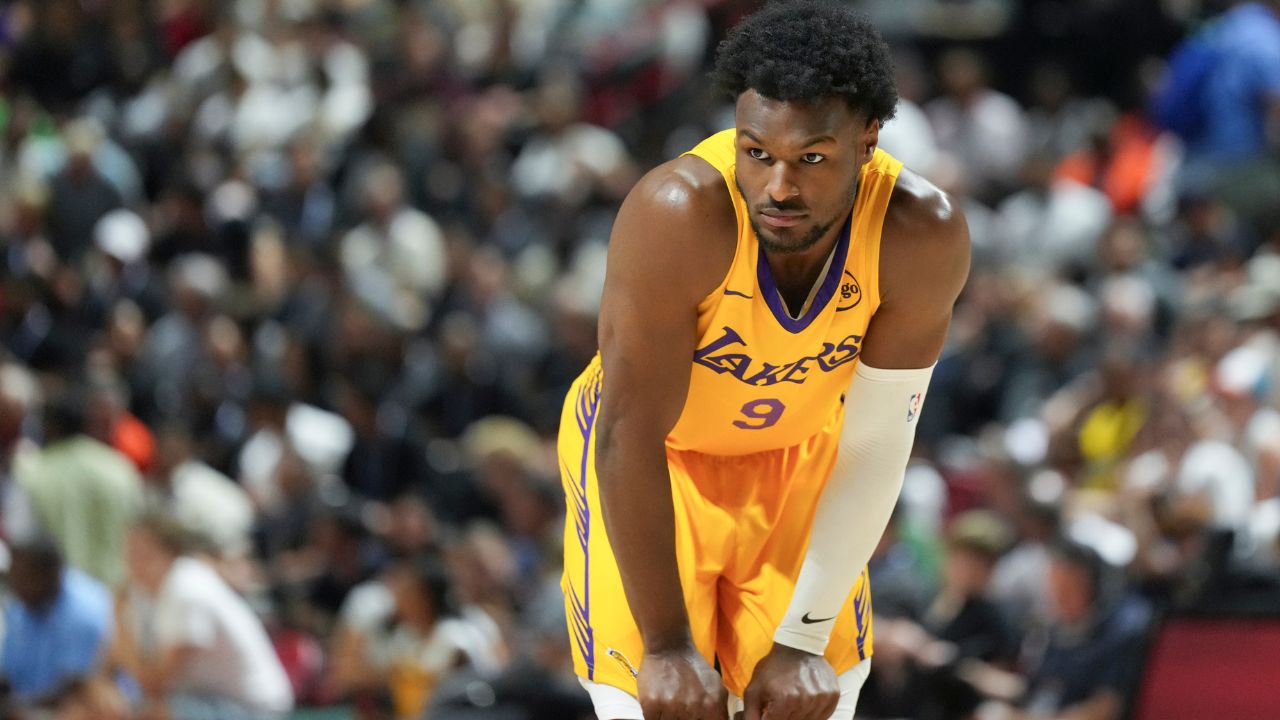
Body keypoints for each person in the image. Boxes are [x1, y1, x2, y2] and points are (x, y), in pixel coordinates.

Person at [556, 3, 970, 719]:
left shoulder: (919, 235)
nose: (778, 187)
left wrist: (804, 638)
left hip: (799, 462)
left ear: (868, 140)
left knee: (814, 700)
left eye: (811, 158)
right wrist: (665, 647)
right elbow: (628, 436)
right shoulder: (678, 214)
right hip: (659, 466)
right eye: (757, 154)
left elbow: (877, 444)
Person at [114, 513, 294, 720]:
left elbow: (155, 683)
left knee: (155, 711)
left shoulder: (186, 589)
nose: (132, 563)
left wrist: (117, 623)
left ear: (169, 552)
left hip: (256, 711)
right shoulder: (165, 589)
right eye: (130, 553)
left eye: (143, 554)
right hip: (216, 698)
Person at [0, 536, 113, 708]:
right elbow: (9, 673)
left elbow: (76, 687)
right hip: (26, 705)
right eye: (13, 575)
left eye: (25, 577)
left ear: (52, 573)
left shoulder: (84, 612)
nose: (17, 585)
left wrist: (17, 707)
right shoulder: (20, 605)